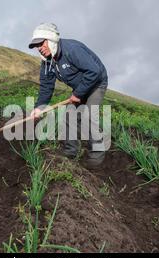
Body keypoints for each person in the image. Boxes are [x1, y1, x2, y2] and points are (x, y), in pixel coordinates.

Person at [28, 23, 108, 168]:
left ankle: (96, 158)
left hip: (96, 83)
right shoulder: (47, 62)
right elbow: (46, 85)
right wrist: (39, 107)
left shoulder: (72, 49)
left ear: (51, 39)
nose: (39, 48)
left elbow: (94, 71)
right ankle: (70, 152)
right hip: (81, 87)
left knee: (89, 116)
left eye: (41, 43)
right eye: (36, 45)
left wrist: (77, 94)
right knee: (69, 115)